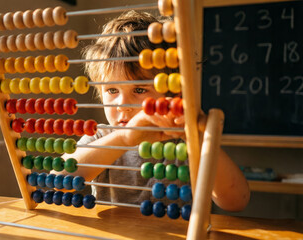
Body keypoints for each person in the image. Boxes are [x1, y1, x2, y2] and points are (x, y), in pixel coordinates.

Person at [61, 10, 250, 212]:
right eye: (112, 90)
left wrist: (200, 137)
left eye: (140, 90)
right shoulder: (101, 137)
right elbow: (57, 180)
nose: (122, 104)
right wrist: (124, 139)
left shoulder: (185, 143)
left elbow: (236, 200)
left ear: (172, 90)